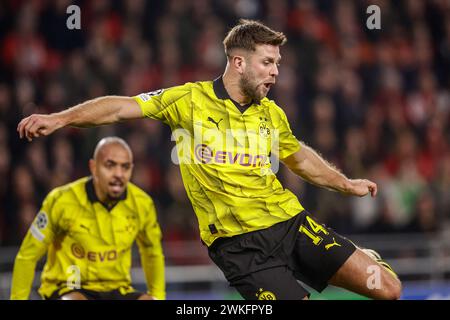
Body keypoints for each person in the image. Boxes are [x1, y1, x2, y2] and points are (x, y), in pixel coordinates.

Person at [17, 19, 401, 300]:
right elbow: (120, 107)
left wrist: (345, 183)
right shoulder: (189, 100)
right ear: (238, 63)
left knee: (390, 289)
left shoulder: (271, 113)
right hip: (240, 247)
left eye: (278, 64)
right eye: (268, 62)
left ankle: (362, 257)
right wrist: (60, 118)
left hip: (291, 223)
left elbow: (298, 156)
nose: (275, 72)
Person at [10, 137, 165, 300]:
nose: (119, 174)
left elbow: (152, 252)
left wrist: (158, 296)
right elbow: (27, 255)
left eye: (125, 167)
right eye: (110, 165)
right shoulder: (62, 200)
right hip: (69, 287)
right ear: (94, 167)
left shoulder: (142, 203)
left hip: (116, 290)